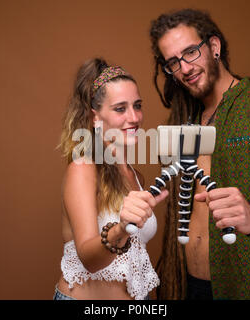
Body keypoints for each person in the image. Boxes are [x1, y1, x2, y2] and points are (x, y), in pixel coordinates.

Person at [149, 9, 250, 300]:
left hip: (246, 289)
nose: (185, 68)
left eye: (190, 52)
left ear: (214, 47)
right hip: (185, 285)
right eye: (173, 62)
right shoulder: (181, 122)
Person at [55, 58, 168, 300]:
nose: (134, 117)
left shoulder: (136, 176)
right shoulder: (83, 169)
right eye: (120, 108)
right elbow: (89, 260)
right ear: (95, 117)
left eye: (137, 106)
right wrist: (122, 227)